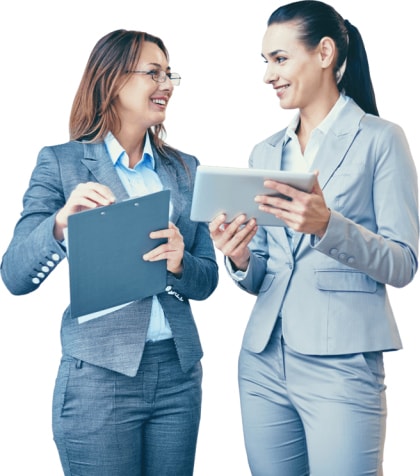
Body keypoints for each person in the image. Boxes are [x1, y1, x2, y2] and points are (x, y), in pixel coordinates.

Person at [209, 1, 418, 475]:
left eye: (280, 59)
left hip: (342, 363)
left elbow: (404, 263)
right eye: (265, 62)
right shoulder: (265, 151)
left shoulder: (381, 139)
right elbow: (261, 272)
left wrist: (328, 226)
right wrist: (240, 258)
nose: (268, 75)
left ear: (324, 53)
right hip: (262, 362)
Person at [1, 29, 218, 476]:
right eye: (153, 73)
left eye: (169, 73)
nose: (167, 85)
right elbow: (15, 274)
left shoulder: (185, 169)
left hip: (177, 375)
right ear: (113, 81)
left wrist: (180, 263)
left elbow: (208, 278)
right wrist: (61, 223)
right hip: (100, 379)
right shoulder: (62, 163)